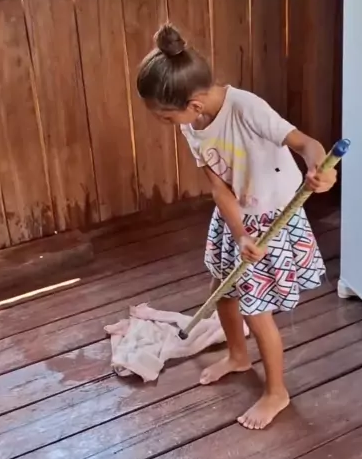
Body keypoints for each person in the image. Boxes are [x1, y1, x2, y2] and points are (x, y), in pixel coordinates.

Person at [136, 23, 336, 430]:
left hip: (273, 218)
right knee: (223, 292)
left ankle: (276, 392)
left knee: (256, 309)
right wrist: (240, 233)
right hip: (238, 219)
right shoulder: (193, 125)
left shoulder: (246, 108)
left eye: (165, 116)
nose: (166, 123)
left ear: (193, 103)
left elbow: (306, 144)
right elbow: (219, 187)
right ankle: (238, 356)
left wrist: (321, 169)